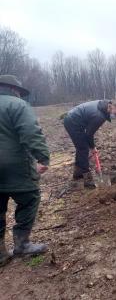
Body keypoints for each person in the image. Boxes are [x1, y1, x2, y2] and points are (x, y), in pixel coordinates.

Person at [0, 75, 50, 267]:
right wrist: (43, 157)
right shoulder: (18, 105)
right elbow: (31, 132)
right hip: (15, 165)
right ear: (15, 90)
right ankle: (22, 244)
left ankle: (1, 254)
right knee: (30, 197)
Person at [64, 100, 116, 188]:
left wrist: (92, 146)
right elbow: (89, 134)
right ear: (112, 107)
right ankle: (87, 180)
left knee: (81, 147)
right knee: (83, 149)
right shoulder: (99, 116)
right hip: (72, 122)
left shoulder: (103, 105)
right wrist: (92, 147)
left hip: (74, 119)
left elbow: (88, 133)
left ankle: (78, 174)